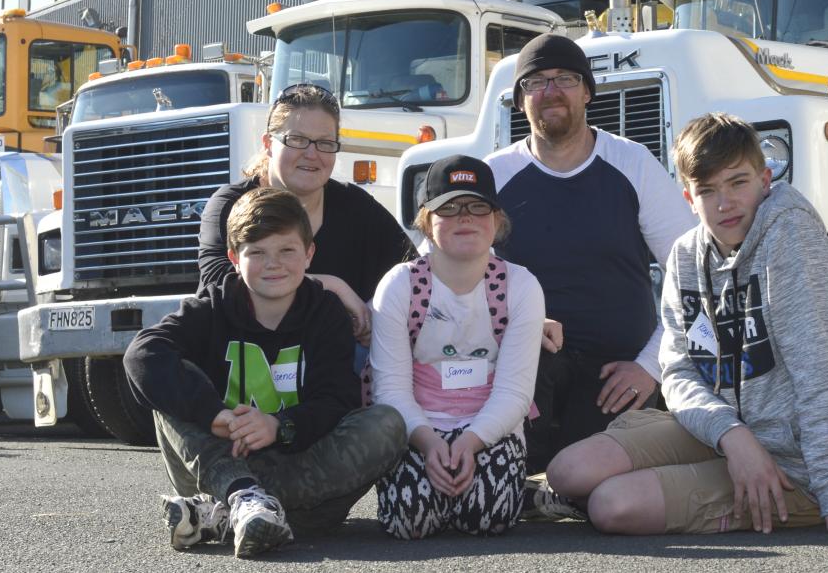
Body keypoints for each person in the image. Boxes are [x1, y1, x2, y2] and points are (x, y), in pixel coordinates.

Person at [546, 112, 828, 536]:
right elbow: (679, 371)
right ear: (689, 198)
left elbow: (819, 371)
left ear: (765, 180)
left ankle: (801, 500)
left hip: (790, 465)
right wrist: (732, 436)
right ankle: (693, 472)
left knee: (612, 506)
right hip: (718, 433)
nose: (724, 203)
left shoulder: (790, 239)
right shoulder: (686, 256)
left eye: (738, 182)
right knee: (567, 471)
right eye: (707, 190)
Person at [123, 187, 406, 558]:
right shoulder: (210, 308)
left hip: (302, 470)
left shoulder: (326, 315)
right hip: (221, 464)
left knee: (387, 423)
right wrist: (215, 416)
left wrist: (279, 426)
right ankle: (244, 498)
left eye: (286, 250)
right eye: (256, 252)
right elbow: (141, 355)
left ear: (309, 254)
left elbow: (336, 400)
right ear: (233, 259)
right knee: (170, 377)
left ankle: (227, 516)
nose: (273, 263)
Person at [484, 34, 696, 480]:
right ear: (520, 100)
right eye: (536, 82)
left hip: (619, 375)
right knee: (521, 476)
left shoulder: (632, 163)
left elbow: (695, 274)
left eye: (564, 78)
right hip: (525, 367)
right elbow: (440, 272)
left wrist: (650, 366)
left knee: (586, 480)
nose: (550, 92)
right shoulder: (495, 175)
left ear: (587, 91)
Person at [370, 155, 545, 539]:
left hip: (489, 428)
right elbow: (391, 390)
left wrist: (470, 441)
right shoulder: (399, 286)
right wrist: (429, 442)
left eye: (477, 206)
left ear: (497, 220)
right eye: (448, 208)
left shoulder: (523, 286)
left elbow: (516, 392)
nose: (465, 217)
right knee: (409, 520)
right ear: (427, 224)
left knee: (487, 516)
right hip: (417, 428)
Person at [197, 83, 416, 351]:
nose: (312, 154)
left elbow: (412, 276)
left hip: (337, 371)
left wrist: (379, 320)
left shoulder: (356, 208)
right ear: (268, 144)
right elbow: (217, 287)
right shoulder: (230, 206)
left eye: (325, 143)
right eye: (297, 140)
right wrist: (334, 287)